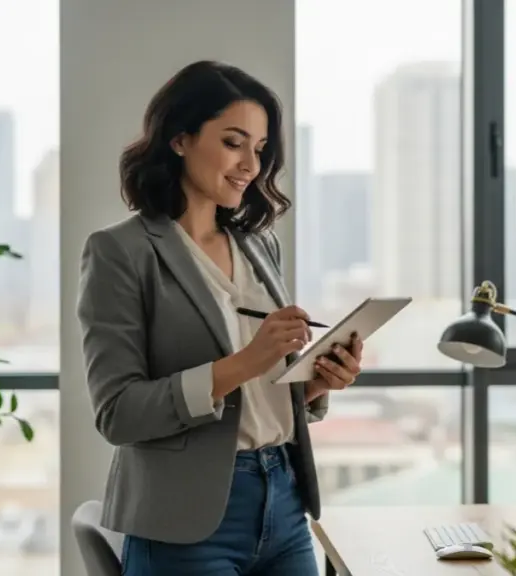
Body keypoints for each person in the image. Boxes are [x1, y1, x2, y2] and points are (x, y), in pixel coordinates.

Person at [76, 60, 364, 576]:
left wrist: (315, 385)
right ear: (180, 139)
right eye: (234, 142)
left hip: (284, 502)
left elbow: (261, 398)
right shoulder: (120, 251)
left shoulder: (259, 245)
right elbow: (118, 412)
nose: (250, 165)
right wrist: (247, 362)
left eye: (259, 149)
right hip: (184, 522)